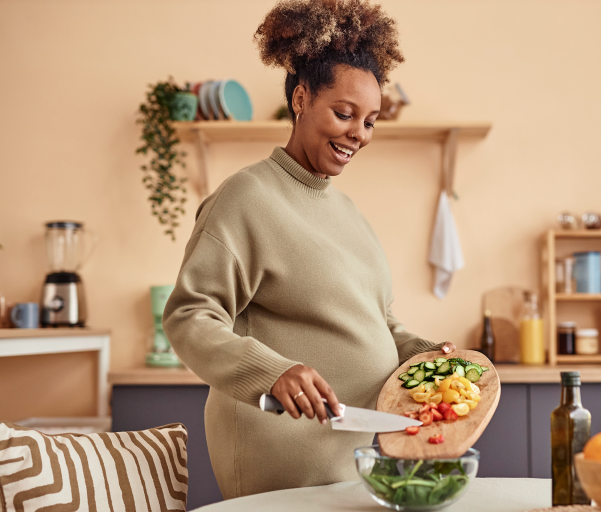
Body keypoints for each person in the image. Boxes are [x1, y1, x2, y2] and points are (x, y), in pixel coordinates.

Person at [163, 0, 455, 499]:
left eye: (369, 121)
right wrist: (272, 372)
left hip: (358, 460)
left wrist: (428, 357)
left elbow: (378, 323)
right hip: (281, 463)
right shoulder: (246, 198)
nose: (358, 135)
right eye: (344, 114)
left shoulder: (350, 214)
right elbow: (190, 316)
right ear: (301, 99)